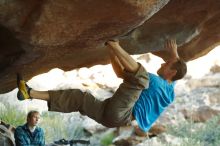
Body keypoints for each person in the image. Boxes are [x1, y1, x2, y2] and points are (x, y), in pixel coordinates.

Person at [16, 39, 187, 136]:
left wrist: (115, 45)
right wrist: (110, 51)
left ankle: (114, 44)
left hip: (122, 113)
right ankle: (29, 93)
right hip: (113, 117)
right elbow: (122, 74)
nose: (164, 62)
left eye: (168, 63)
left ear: (171, 72)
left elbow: (135, 74)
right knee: (78, 97)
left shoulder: (155, 82)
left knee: (140, 76)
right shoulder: (170, 92)